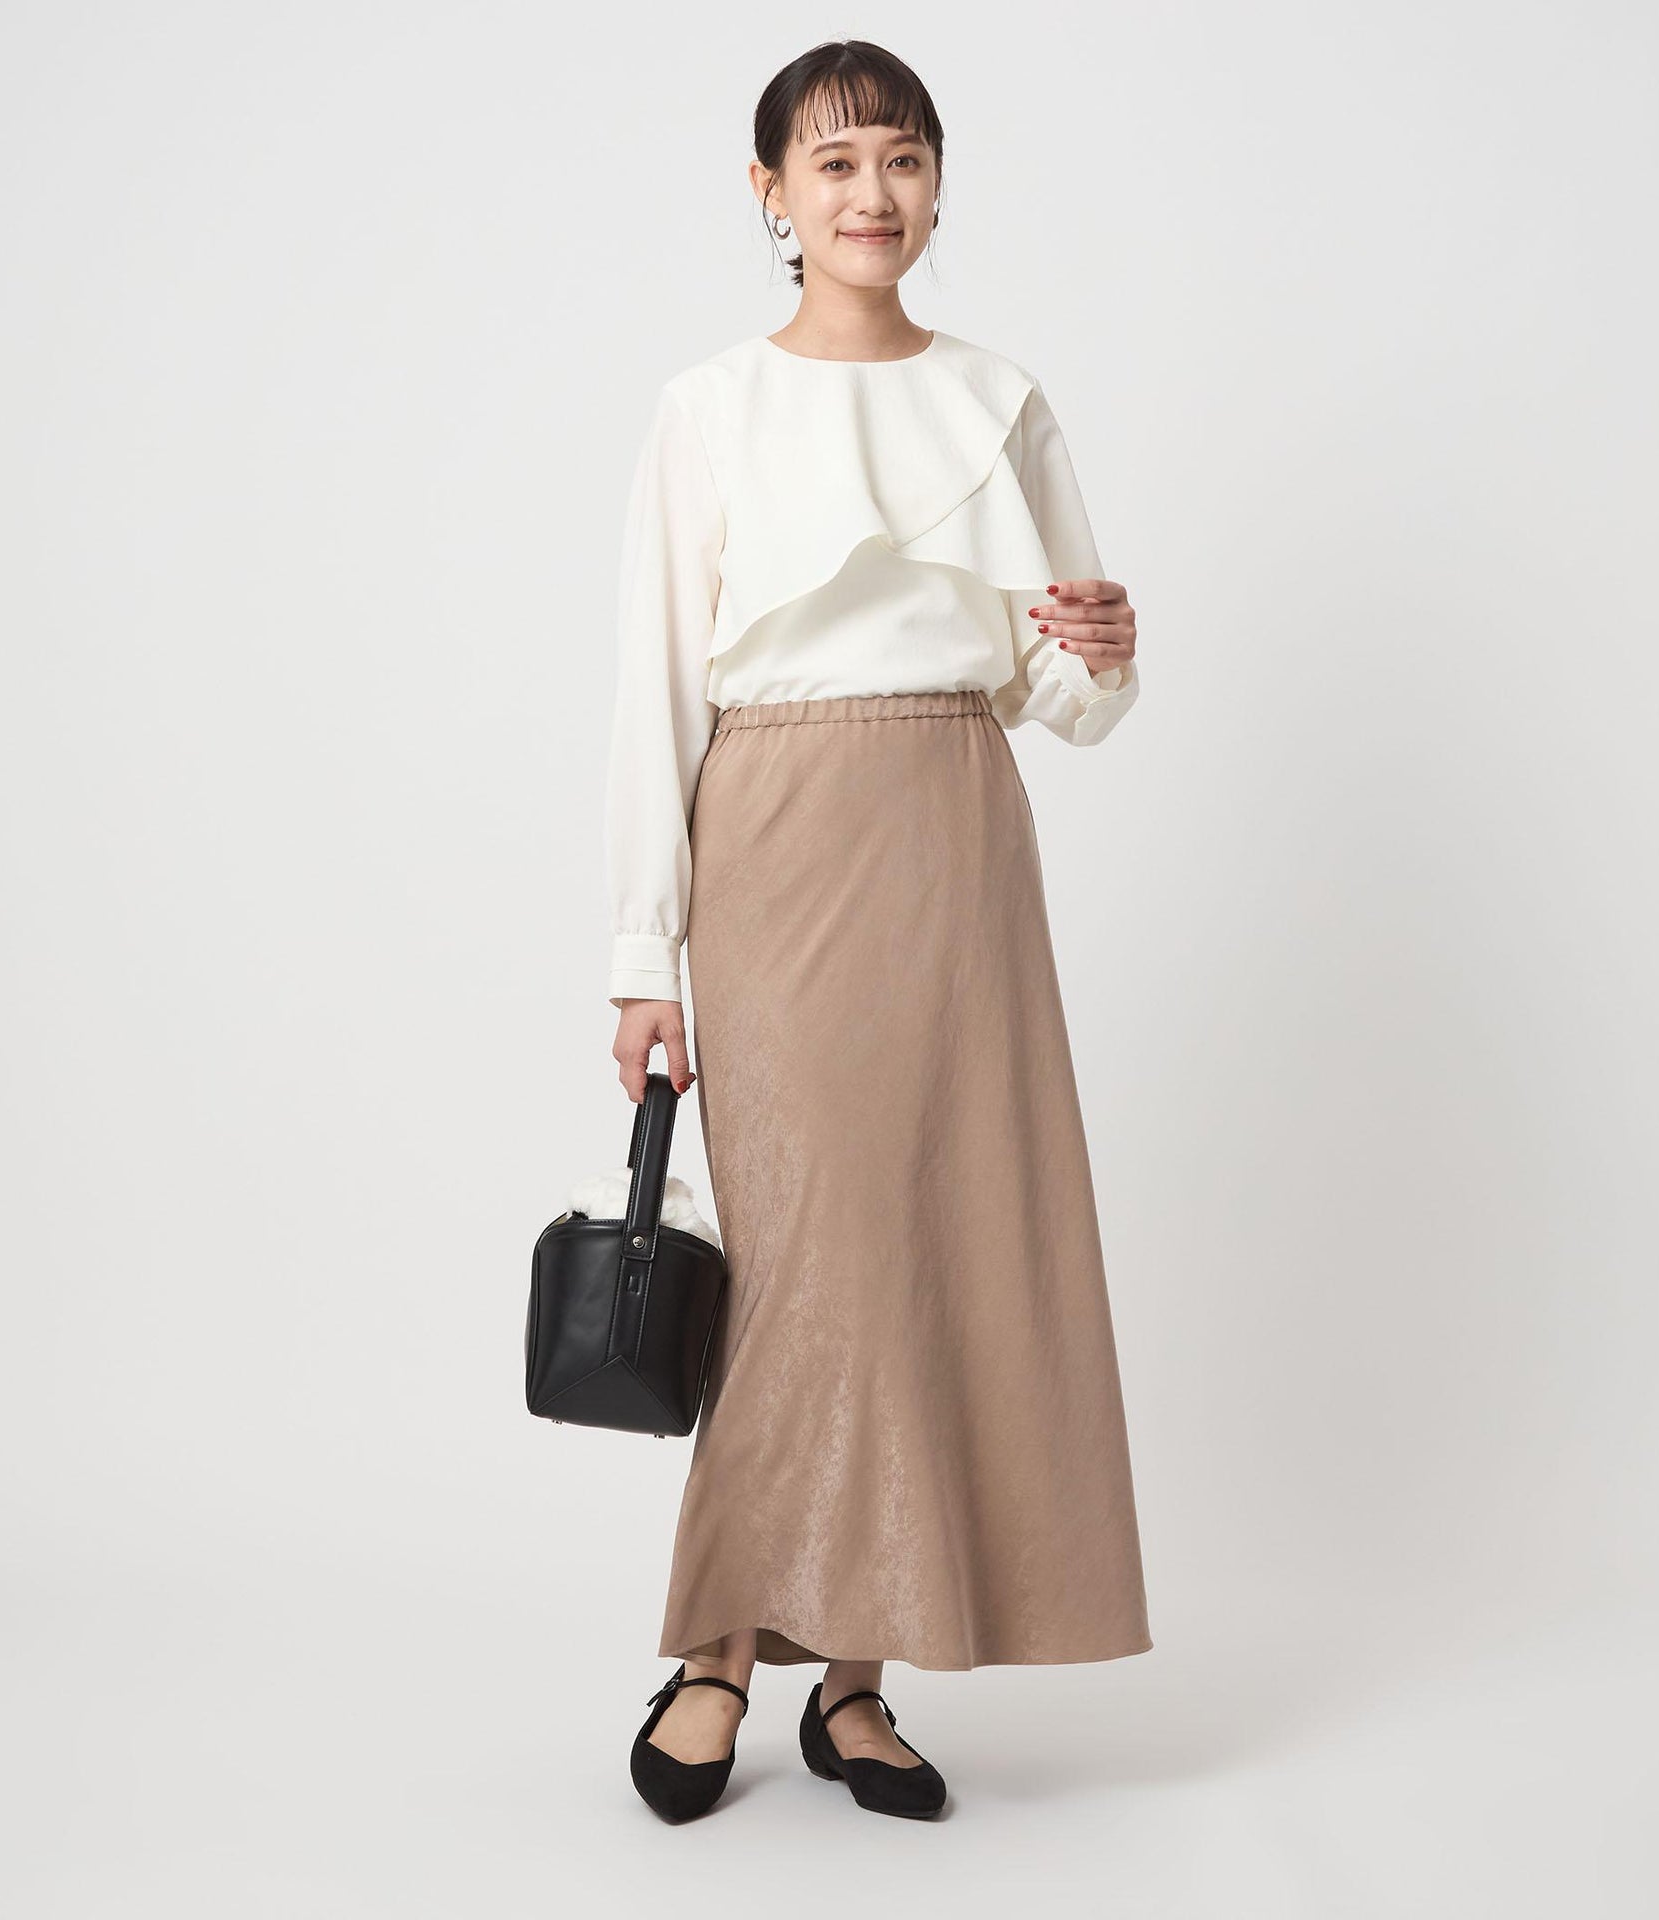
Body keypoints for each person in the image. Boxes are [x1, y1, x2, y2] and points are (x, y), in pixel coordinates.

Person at [604, 39, 1153, 1824]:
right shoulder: (709, 408)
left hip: (957, 832)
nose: (871, 193)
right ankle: (718, 1652)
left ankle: (857, 1677)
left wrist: (1104, 652)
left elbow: (1066, 694)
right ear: (771, 195)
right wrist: (643, 955)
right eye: (834, 163)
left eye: (902, 158)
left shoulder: (999, 400)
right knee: (802, 1259)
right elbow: (652, 697)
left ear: (937, 185)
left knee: (930, 1245)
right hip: (775, 838)